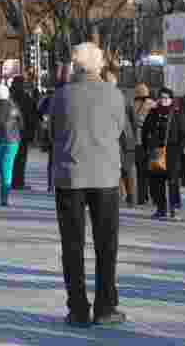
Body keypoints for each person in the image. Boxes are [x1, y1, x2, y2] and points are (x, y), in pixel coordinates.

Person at [50, 43, 128, 327]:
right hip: (105, 176)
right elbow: (120, 130)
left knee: (72, 245)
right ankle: (106, 306)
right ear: (99, 65)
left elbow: (52, 131)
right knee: (106, 245)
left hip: (70, 177)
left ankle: (78, 308)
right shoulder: (114, 94)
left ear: (76, 65)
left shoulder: (60, 96)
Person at [143, 88, 183, 221]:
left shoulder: (176, 113)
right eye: (161, 97)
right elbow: (145, 130)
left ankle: (174, 208)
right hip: (156, 151)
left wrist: (180, 148)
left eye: (166, 97)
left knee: (173, 181)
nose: (163, 100)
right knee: (156, 181)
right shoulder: (153, 112)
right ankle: (161, 208)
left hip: (172, 151)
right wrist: (147, 147)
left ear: (171, 99)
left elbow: (184, 131)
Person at [10, 76, 39, 190]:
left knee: (11, 158)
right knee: (21, 158)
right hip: (22, 132)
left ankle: (10, 180)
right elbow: (32, 114)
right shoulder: (25, 97)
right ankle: (18, 182)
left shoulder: (9, 95)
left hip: (9, 132)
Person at [128, 84, 154, 207]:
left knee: (139, 171)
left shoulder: (132, 104)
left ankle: (140, 196)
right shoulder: (152, 104)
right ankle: (146, 195)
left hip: (136, 142)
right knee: (147, 171)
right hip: (148, 142)